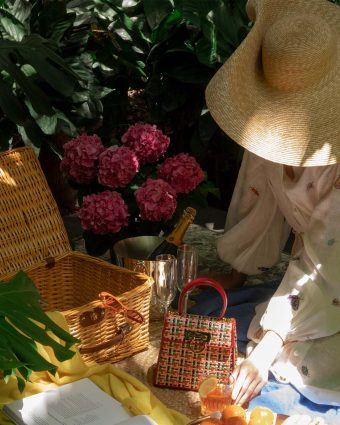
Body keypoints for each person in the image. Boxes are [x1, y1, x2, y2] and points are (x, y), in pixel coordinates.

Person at [199, 0, 340, 421]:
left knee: (293, 367)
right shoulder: (270, 131)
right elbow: (256, 199)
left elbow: (325, 255)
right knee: (218, 314)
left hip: (332, 273)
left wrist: (269, 344)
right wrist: (238, 269)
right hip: (312, 274)